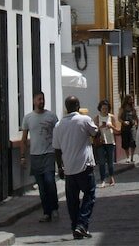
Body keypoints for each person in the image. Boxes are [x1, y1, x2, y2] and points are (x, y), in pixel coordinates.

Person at [52, 95, 98, 240]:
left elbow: (57, 150)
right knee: (89, 195)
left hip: (69, 167)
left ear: (66, 107)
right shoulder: (84, 120)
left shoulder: (59, 125)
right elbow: (96, 133)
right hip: (85, 166)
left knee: (72, 200)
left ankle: (76, 228)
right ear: (78, 105)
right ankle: (82, 224)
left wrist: (60, 167)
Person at [20, 92, 60, 222]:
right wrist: (22, 156)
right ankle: (46, 212)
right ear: (33, 101)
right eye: (39, 99)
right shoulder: (28, 118)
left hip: (49, 153)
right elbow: (24, 138)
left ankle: (54, 208)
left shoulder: (52, 117)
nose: (41, 101)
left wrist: (60, 152)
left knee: (49, 181)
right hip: (35, 155)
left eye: (43, 99)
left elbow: (59, 134)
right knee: (41, 187)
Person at [93, 98, 119, 187]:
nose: (105, 110)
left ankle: (111, 178)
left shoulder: (111, 117)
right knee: (102, 162)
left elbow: (118, 131)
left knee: (110, 161)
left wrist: (111, 126)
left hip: (110, 141)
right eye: (103, 108)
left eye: (106, 108)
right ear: (100, 108)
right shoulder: (97, 117)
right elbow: (94, 131)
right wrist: (100, 127)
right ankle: (103, 180)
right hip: (101, 142)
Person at [120, 93, 138, 164]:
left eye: (132, 99)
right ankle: (127, 157)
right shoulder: (122, 108)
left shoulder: (133, 108)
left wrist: (138, 124)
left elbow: (136, 117)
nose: (132, 101)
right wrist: (123, 122)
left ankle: (132, 157)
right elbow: (119, 118)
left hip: (132, 127)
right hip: (124, 127)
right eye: (130, 99)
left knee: (133, 141)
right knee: (126, 142)